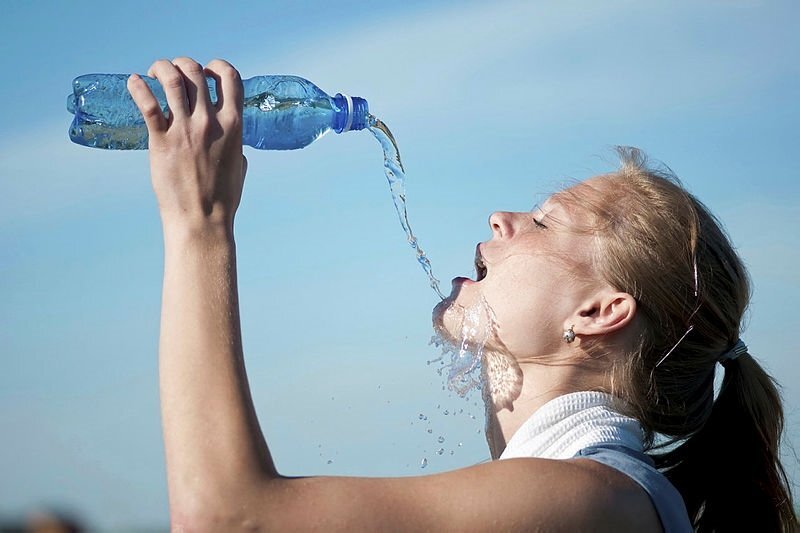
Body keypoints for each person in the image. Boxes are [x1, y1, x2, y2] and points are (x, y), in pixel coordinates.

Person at [127, 57, 797, 532]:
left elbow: (227, 517)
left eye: (545, 221)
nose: (501, 219)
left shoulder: (596, 497)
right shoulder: (591, 492)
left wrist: (200, 225)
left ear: (599, 311)